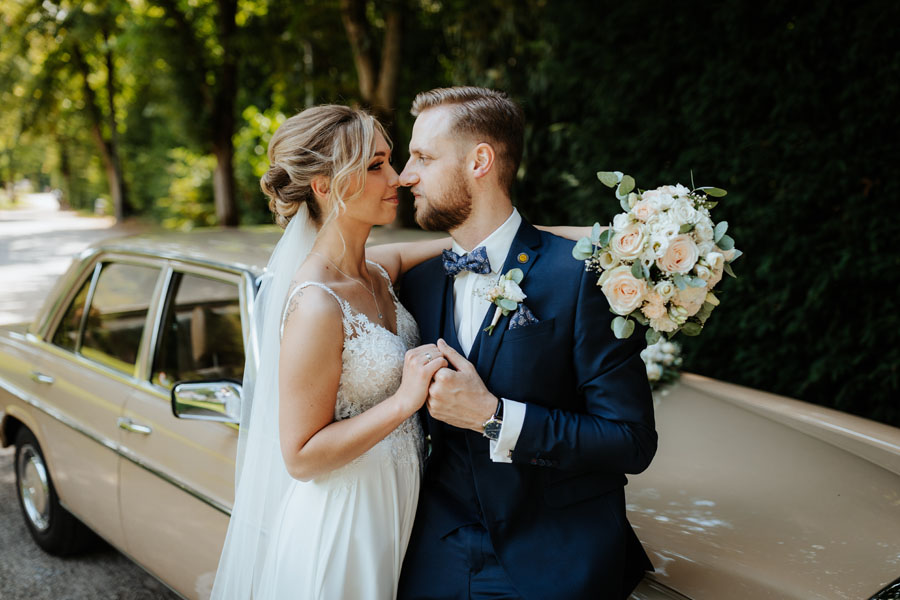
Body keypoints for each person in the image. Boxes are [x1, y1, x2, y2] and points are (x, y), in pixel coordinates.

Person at [210, 103, 587, 600]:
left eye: (391, 160)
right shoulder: (316, 302)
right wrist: (405, 402)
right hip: (346, 520)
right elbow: (300, 457)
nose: (399, 177)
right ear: (323, 186)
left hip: (404, 508)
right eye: (374, 166)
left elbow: (489, 243)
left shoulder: (379, 269)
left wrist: (598, 238)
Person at [396, 87, 657, 599]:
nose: (407, 174)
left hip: (554, 560)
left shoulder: (581, 277)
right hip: (433, 557)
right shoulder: (417, 281)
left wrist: (493, 416)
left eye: (423, 157)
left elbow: (631, 440)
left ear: (480, 161)